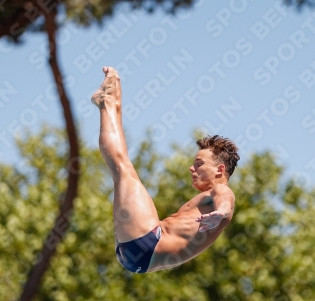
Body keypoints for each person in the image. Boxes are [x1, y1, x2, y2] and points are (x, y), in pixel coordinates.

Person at [91, 67, 240, 273]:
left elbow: (226, 201)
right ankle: (110, 101)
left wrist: (220, 212)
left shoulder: (221, 192)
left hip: (148, 244)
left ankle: (107, 102)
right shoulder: (206, 199)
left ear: (219, 170)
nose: (192, 168)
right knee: (123, 169)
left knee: (122, 166)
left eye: (199, 163)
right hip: (140, 252)